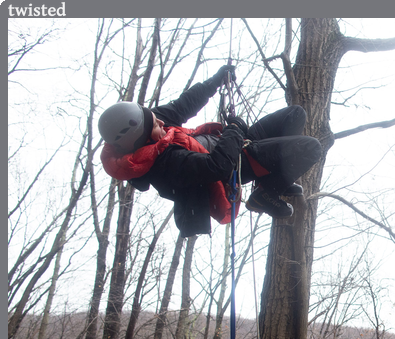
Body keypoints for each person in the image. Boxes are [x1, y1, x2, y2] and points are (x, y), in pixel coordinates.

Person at [98, 65, 321, 237]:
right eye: (156, 124)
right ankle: (265, 195)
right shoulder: (166, 164)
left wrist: (215, 81)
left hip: (235, 143)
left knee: (296, 114)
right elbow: (217, 167)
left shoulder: (152, 126)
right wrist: (233, 130)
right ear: (141, 137)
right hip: (237, 162)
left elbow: (183, 105)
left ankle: (272, 181)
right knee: (310, 148)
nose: (160, 122)